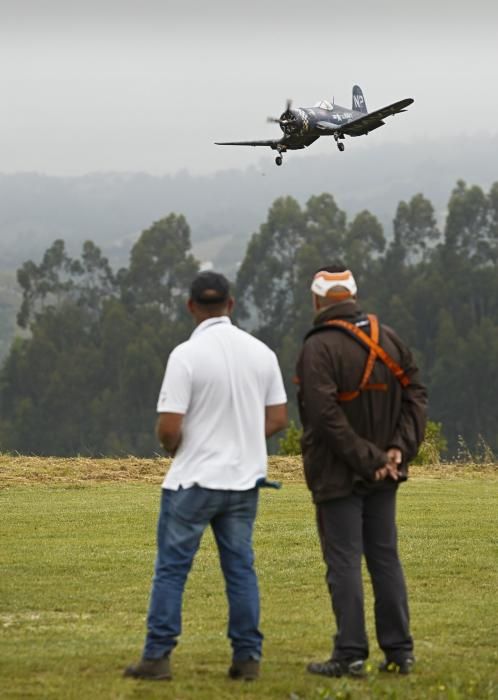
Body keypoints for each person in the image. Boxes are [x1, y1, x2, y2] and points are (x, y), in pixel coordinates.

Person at [125, 271, 288, 682]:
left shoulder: (185, 355)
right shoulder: (262, 353)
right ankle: (247, 658)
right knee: (240, 570)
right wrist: (243, 436)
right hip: (243, 482)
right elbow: (278, 418)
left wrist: (175, 446)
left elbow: (168, 427)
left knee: (172, 570)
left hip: (193, 481)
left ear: (191, 306)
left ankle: (158, 657)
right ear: (231, 304)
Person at [295, 264, 427, 678]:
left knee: (345, 563)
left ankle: (350, 653)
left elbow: (323, 416)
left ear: (317, 300)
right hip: (384, 474)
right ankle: (400, 652)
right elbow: (416, 396)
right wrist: (396, 452)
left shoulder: (318, 349)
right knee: (385, 559)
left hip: (338, 475)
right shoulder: (389, 339)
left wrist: (370, 458)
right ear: (353, 295)